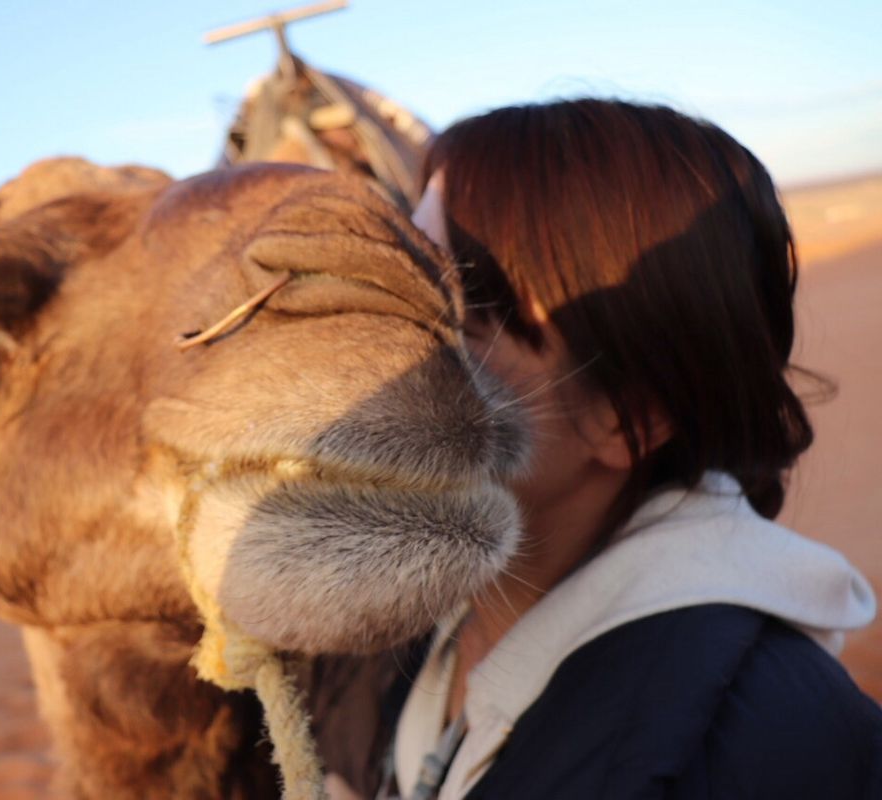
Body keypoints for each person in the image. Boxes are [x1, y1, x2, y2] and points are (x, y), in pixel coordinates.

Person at [313, 99, 882, 799]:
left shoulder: (751, 756)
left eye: (445, 313)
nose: (373, 355)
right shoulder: (414, 628)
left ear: (627, 418)